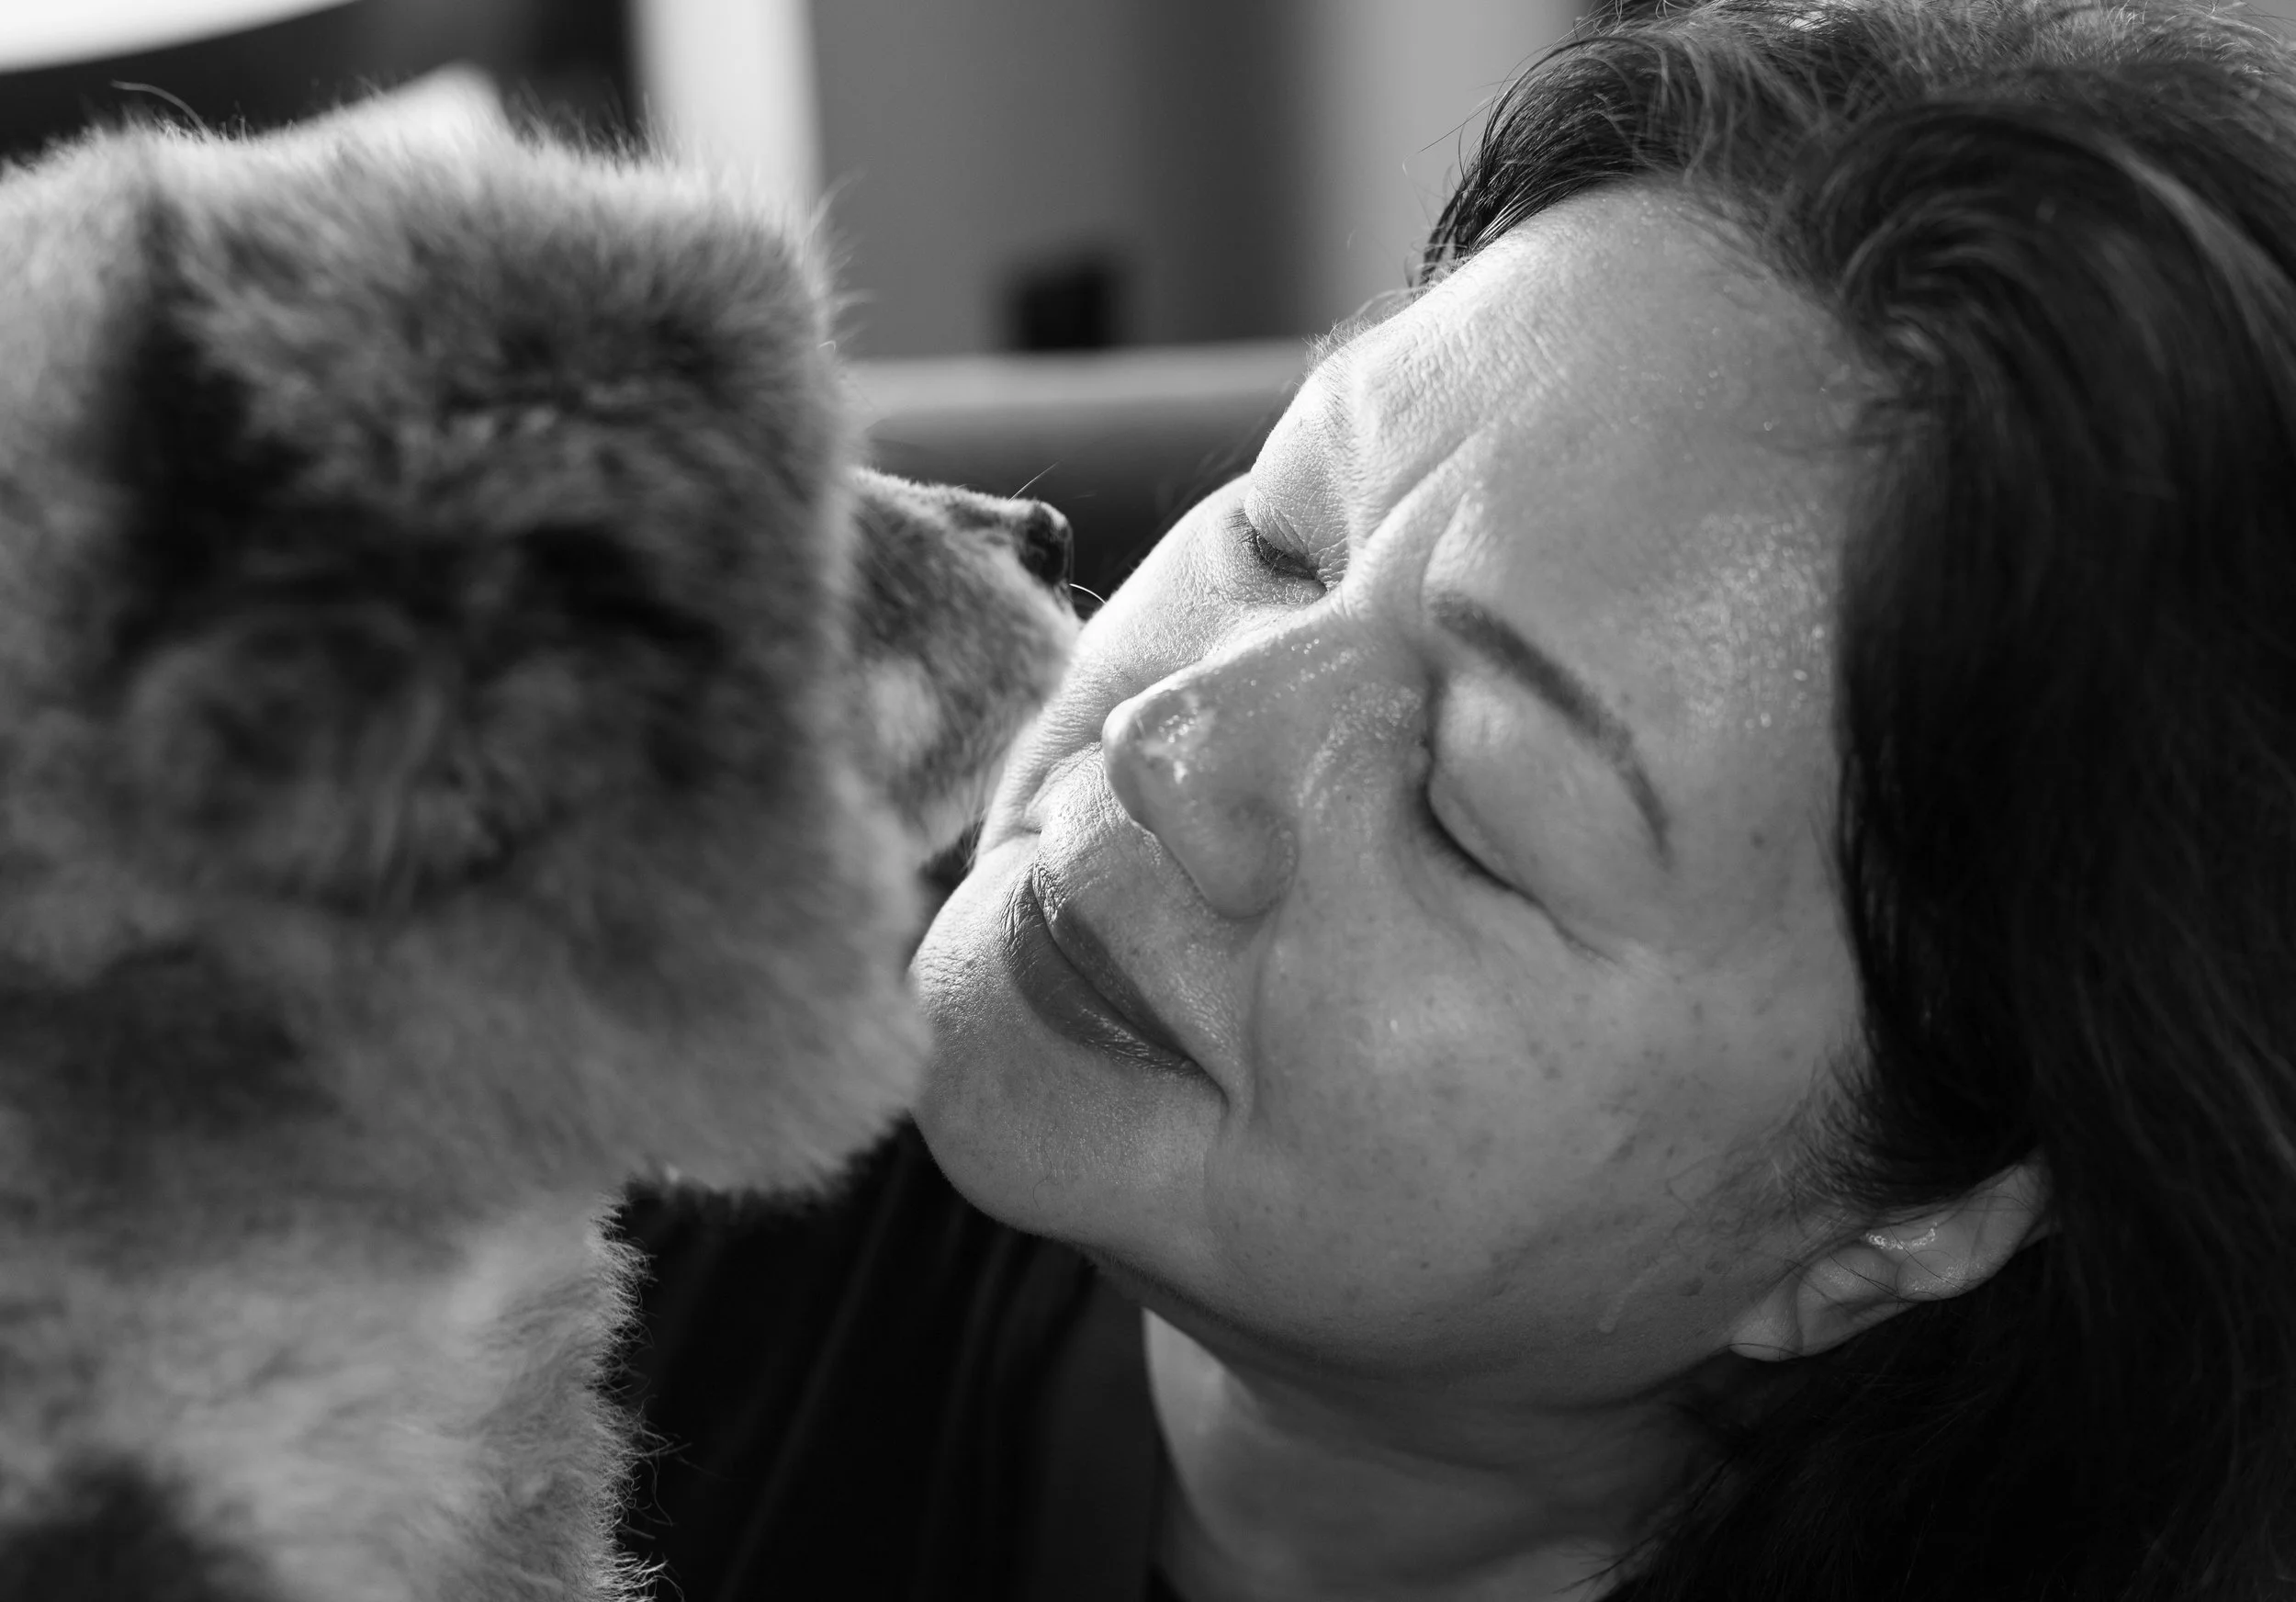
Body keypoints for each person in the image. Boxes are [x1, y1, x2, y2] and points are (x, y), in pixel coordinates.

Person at [616, 1, 2296, 1596]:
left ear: (1902, 1230)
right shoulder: (595, 988)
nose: (1165, 746)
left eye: (1472, 813)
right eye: (1281, 541)